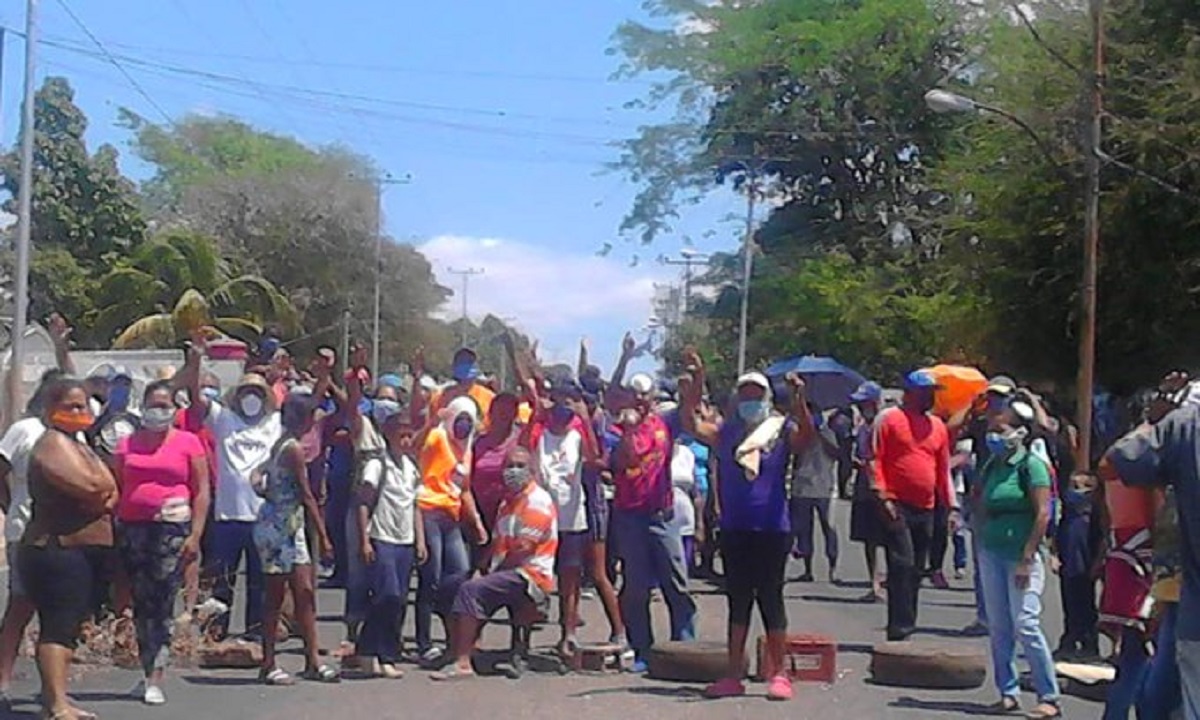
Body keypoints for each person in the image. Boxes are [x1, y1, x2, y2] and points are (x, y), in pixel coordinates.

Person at [680, 351, 809, 702]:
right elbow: (691, 423)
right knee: (738, 602)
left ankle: (779, 673)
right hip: (736, 528)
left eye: (757, 394)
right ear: (738, 398)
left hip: (773, 528)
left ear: (767, 397)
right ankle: (733, 674)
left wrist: (799, 401)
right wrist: (696, 380)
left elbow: (805, 440)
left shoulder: (780, 430)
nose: (751, 400)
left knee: (771, 599)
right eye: (746, 394)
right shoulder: (726, 433)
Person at [21, 378, 117, 720]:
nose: (80, 412)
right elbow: (92, 486)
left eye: (83, 405)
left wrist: (104, 488)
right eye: (71, 406)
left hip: (83, 551)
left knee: (70, 626)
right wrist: (102, 489)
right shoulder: (51, 444)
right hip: (55, 549)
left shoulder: (79, 444)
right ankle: (57, 703)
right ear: (51, 409)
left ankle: (59, 699)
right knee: (57, 626)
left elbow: (111, 486)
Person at [113, 380, 210, 706]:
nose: (158, 411)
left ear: (174, 408)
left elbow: (202, 491)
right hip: (133, 529)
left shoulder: (188, 443)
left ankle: (157, 671)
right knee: (141, 602)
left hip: (172, 529)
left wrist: (195, 534)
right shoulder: (126, 443)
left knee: (163, 601)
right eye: (152, 404)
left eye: (164, 405)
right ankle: (146, 666)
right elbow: (116, 485)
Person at [607, 334, 696, 673]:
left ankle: (685, 648)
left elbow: (690, 404)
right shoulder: (621, 425)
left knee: (676, 582)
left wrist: (694, 375)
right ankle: (643, 650)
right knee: (636, 586)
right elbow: (610, 393)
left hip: (663, 513)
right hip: (630, 516)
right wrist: (624, 358)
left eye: (646, 394)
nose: (641, 400)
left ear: (654, 397)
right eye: (636, 393)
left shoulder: (666, 422)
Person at [431, 446, 557, 682]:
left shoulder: (537, 501)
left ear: (532, 470)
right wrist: (481, 567)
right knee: (452, 585)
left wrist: (488, 575)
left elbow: (523, 550)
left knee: (472, 590)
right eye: (510, 465)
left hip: (530, 576)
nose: (514, 471)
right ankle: (457, 648)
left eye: (520, 466)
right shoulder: (507, 503)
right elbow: (497, 544)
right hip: (506, 572)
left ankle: (463, 663)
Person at [183, 343, 283, 642]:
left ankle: (255, 635)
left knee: (259, 581)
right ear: (237, 396)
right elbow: (195, 399)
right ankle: (214, 632)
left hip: (262, 516)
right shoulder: (224, 419)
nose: (250, 398)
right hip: (228, 515)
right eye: (245, 392)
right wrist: (195, 362)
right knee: (221, 579)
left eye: (256, 393)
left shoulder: (274, 423)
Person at [974, 398, 1061, 718]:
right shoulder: (992, 466)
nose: (993, 436)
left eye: (1001, 430)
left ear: (1019, 433)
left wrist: (1027, 555)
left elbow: (1042, 514)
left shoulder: (1031, 466)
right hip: (992, 552)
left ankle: (1049, 696)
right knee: (999, 626)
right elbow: (981, 500)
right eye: (991, 430)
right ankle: (1007, 691)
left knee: (1026, 623)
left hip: (1021, 555)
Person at [254, 394, 338, 685]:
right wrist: (325, 536)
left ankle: (312, 659)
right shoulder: (291, 450)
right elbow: (306, 494)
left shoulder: (284, 443)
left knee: (305, 592)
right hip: (279, 527)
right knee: (276, 597)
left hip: (292, 526)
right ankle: (268, 663)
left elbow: (261, 473)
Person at [349, 374, 427, 679]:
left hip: (405, 539)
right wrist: (365, 540)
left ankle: (383, 654)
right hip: (381, 537)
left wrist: (420, 541)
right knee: (387, 595)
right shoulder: (376, 464)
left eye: (409, 436)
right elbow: (363, 501)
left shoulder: (410, 468)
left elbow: (415, 505)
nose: (406, 441)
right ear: (389, 434)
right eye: (401, 435)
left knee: (398, 602)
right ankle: (369, 648)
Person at [0, 368, 69, 709]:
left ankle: (53, 692)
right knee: (21, 606)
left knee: (58, 615)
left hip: (67, 539)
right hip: (27, 533)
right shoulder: (24, 430)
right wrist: (9, 505)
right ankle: (3, 681)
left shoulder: (74, 435)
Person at [871, 370, 956, 641]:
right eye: (925, 392)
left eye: (932, 393)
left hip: (927, 506)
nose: (930, 397)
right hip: (896, 503)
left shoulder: (937, 427)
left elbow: (942, 469)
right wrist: (882, 495)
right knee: (902, 563)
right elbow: (873, 458)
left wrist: (950, 506)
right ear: (909, 394)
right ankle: (899, 627)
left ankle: (909, 621)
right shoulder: (889, 420)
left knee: (918, 568)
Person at [416, 396, 486, 665]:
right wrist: (429, 422)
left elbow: (464, 489)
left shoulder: (467, 449)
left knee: (459, 573)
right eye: (460, 420)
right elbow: (416, 446)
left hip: (452, 514)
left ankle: (451, 634)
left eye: (469, 421)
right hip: (428, 509)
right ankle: (424, 642)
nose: (464, 426)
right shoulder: (437, 437)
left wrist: (476, 522)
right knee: (430, 577)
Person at [532, 381, 600, 657]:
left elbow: (595, 458)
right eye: (559, 401)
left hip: (572, 519)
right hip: (543, 520)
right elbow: (528, 456)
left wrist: (584, 419)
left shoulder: (576, 436)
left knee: (570, 579)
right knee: (537, 577)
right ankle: (523, 637)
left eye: (569, 402)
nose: (564, 407)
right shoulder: (540, 435)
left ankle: (568, 634)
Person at [790, 401, 840, 583]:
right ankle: (807, 569)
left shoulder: (827, 432)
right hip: (803, 487)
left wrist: (820, 435)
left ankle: (832, 569)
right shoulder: (798, 433)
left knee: (829, 528)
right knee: (805, 530)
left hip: (825, 487)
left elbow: (836, 454)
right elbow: (794, 457)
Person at [848, 381, 886, 603]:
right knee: (868, 538)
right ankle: (874, 582)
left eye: (865, 403)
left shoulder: (885, 424)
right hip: (864, 485)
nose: (862, 407)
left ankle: (890, 582)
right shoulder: (862, 427)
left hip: (883, 485)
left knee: (889, 537)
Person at [429, 347, 496, 424]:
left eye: (470, 362)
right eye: (462, 362)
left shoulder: (491, 399)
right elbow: (432, 426)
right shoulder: (440, 397)